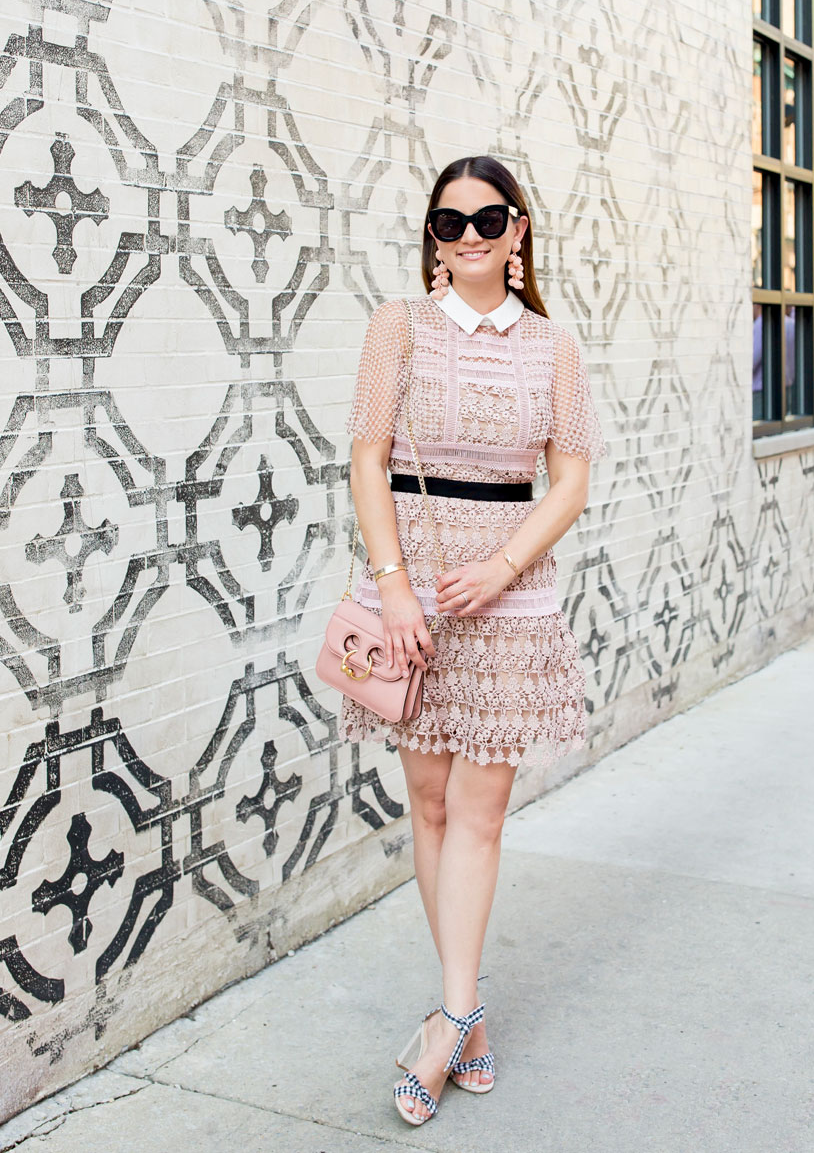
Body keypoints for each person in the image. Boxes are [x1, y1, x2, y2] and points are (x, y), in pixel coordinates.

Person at [344, 155, 605, 1127]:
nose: (465, 238)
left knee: (480, 811)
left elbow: (570, 481)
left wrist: (500, 569)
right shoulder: (396, 329)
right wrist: (394, 587)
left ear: (517, 230)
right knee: (427, 801)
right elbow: (366, 458)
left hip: (506, 594)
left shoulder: (553, 348)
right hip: (408, 588)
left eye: (485, 220)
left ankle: (446, 1022)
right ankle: (468, 1015)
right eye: (446, 224)